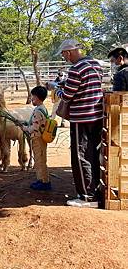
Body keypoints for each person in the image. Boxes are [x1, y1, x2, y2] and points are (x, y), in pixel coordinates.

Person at [48, 39, 103, 208]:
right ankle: (96, 190)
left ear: (69, 52)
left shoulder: (76, 68)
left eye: (64, 55)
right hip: (96, 115)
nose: (64, 58)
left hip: (82, 117)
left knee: (81, 155)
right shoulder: (95, 64)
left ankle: (86, 196)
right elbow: (84, 86)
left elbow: (67, 95)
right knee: (94, 153)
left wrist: (55, 88)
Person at [24, 86, 51, 191]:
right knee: (40, 159)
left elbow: (34, 128)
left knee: (40, 160)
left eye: (33, 97)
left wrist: (25, 128)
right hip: (41, 137)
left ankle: (44, 182)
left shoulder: (38, 111)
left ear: (38, 98)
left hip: (37, 138)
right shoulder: (42, 108)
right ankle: (41, 179)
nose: (31, 99)